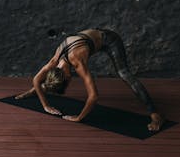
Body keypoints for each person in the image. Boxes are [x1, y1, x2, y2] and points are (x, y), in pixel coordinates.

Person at [15, 28, 164, 131]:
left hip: (110, 40)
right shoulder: (54, 62)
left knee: (124, 73)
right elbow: (36, 79)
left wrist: (79, 117)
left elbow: (94, 96)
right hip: (91, 37)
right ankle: (34, 92)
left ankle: (155, 114)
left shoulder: (77, 62)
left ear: (68, 76)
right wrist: (45, 105)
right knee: (47, 83)